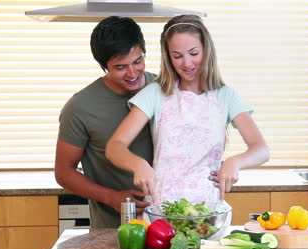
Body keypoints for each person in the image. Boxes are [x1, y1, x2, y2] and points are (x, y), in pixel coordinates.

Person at [106, 14, 269, 205]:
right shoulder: (155, 93)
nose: (187, 63)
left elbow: (261, 149)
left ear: (206, 50)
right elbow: (114, 146)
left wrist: (236, 162)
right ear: (168, 57)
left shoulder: (225, 96)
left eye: (194, 53)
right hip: (162, 208)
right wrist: (138, 164)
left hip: (208, 210)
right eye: (177, 56)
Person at [55, 16, 157, 228]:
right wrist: (111, 197)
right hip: (113, 230)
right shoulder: (80, 107)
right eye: (120, 67)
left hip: (172, 224)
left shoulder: (167, 90)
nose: (132, 73)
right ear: (103, 66)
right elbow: (64, 171)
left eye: (138, 61)